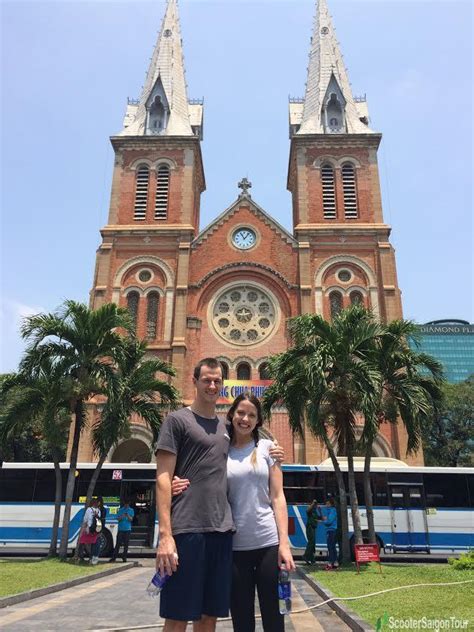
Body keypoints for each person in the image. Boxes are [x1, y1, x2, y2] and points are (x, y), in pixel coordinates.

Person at [155, 358, 283, 632]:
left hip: (222, 533)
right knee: (178, 616)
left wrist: (274, 451)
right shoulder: (177, 420)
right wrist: (165, 536)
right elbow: (163, 478)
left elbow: (248, 446)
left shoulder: (226, 431)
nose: (212, 386)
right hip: (188, 530)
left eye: (217, 381)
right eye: (206, 380)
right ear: (195, 381)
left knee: (208, 616)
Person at [109, 498, 134, 563]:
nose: (126, 505)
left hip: (127, 529)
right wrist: (122, 516)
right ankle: (114, 557)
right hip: (121, 529)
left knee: (126, 544)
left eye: (127, 504)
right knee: (118, 544)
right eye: (125, 504)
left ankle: (124, 557)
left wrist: (127, 515)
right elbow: (118, 519)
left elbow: (131, 519)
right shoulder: (120, 510)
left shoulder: (131, 510)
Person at [78, 498, 100, 565]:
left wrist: (82, 530)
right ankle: (92, 557)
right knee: (93, 543)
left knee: (83, 542)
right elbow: (99, 520)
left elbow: (85, 520)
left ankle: (81, 556)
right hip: (95, 530)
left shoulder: (89, 509)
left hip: (89, 529)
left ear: (92, 503)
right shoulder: (98, 511)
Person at [320, 497, 338, 570]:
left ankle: (331, 562)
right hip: (329, 530)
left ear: (331, 504)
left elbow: (329, 521)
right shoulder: (328, 511)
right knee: (331, 547)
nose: (327, 505)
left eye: (328, 503)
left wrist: (324, 521)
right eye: (326, 504)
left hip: (332, 530)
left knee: (331, 547)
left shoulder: (332, 511)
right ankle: (334, 562)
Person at [303, 499, 321, 565]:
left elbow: (320, 518)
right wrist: (313, 503)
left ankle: (312, 559)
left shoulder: (315, 511)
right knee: (311, 542)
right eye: (315, 505)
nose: (316, 506)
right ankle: (306, 555)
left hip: (313, 528)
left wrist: (320, 511)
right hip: (310, 527)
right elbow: (307, 511)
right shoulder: (310, 511)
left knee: (313, 544)